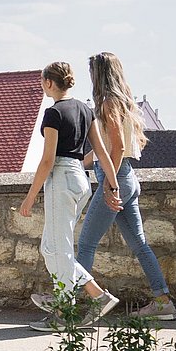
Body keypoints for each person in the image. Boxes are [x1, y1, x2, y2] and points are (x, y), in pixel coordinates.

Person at [19, 61, 123, 332]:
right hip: (81, 180)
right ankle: (75, 298)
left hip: (61, 180)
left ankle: (73, 308)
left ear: (49, 83)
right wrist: (113, 186)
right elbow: (101, 152)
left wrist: (30, 197)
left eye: (43, 81)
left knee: (60, 248)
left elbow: (47, 160)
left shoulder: (53, 113)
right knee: (51, 247)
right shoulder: (85, 110)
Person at [75, 52, 176, 320]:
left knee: (85, 245)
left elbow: (116, 148)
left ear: (99, 75)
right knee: (139, 245)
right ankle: (163, 301)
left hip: (116, 177)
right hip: (127, 176)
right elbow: (103, 151)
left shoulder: (108, 104)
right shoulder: (123, 103)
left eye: (92, 72)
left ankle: (68, 306)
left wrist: (109, 185)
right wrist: (75, 162)